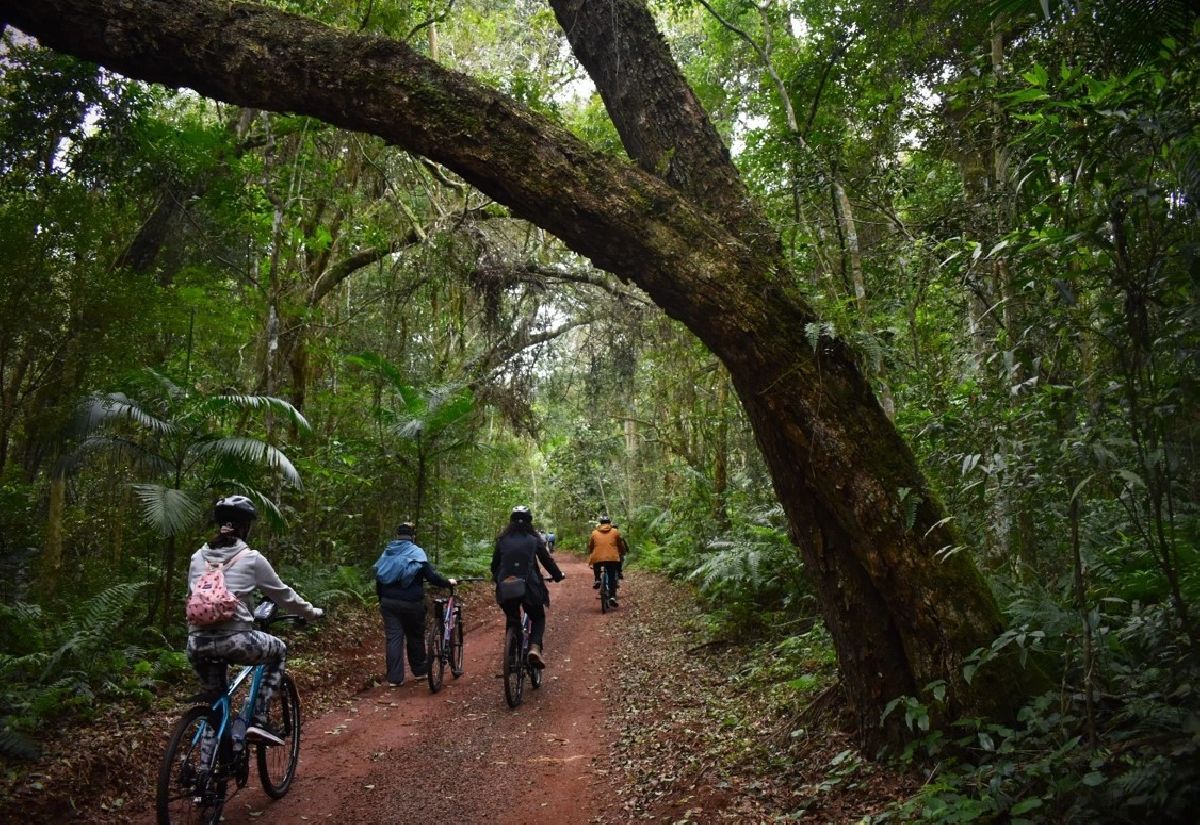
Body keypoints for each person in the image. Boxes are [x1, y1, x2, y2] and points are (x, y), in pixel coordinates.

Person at [186, 496, 322, 745]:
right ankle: (259, 720)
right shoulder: (251, 558)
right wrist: (311, 612)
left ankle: (208, 771)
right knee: (279, 650)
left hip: (197, 643)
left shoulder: (197, 557)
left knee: (215, 705)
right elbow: (283, 595)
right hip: (235, 640)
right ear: (246, 527)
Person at [375, 522, 456, 686]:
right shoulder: (417, 552)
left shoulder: (387, 552)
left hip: (388, 603)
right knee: (415, 636)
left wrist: (382, 599)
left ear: (397, 535)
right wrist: (447, 582)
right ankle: (419, 671)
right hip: (412, 603)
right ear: (412, 536)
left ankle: (394, 679)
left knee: (393, 639)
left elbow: (379, 579)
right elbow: (432, 577)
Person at [492, 505, 563, 667]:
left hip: (506, 586)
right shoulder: (534, 539)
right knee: (538, 617)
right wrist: (557, 576)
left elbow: (494, 565)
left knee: (512, 619)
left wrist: (500, 579)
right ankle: (534, 648)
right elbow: (547, 561)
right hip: (530, 587)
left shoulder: (502, 540)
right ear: (529, 522)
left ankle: (511, 655)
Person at [588, 516, 625, 607]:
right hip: (612, 558)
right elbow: (620, 545)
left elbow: (591, 546)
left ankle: (597, 579)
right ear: (609, 523)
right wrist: (622, 552)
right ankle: (612, 597)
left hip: (598, 557)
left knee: (596, 563)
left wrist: (591, 552)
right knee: (611, 577)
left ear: (600, 524)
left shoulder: (594, 532)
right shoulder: (615, 532)